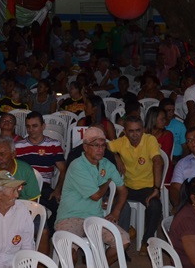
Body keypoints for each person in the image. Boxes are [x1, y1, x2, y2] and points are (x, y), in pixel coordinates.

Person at [55, 126, 129, 265]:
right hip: (70, 216)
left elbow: (123, 190)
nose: (100, 149)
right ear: (85, 147)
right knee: (68, 249)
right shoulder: (77, 165)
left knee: (123, 241)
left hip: (95, 217)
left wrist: (116, 211)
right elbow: (96, 195)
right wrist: (107, 182)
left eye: (102, 145)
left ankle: (99, 265)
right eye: (95, 145)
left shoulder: (107, 164)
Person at [109, 115, 164, 249]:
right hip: (128, 187)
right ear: (125, 132)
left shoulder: (149, 140)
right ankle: (121, 242)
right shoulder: (121, 142)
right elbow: (105, 147)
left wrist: (157, 189)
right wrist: (116, 156)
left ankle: (146, 241)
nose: (135, 134)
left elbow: (158, 161)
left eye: (138, 130)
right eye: (131, 131)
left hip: (147, 187)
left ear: (143, 130)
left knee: (155, 205)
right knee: (116, 204)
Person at [15, 112, 66, 239]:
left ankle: (48, 237)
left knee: (60, 207)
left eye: (35, 126)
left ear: (43, 126)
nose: (31, 130)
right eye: (28, 126)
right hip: (23, 187)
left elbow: (63, 169)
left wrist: (58, 190)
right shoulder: (19, 146)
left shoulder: (53, 145)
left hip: (44, 187)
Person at [0, 137, 40, 203]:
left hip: (23, 210)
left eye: (2, 154)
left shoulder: (26, 171)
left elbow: (33, 202)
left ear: (13, 154)